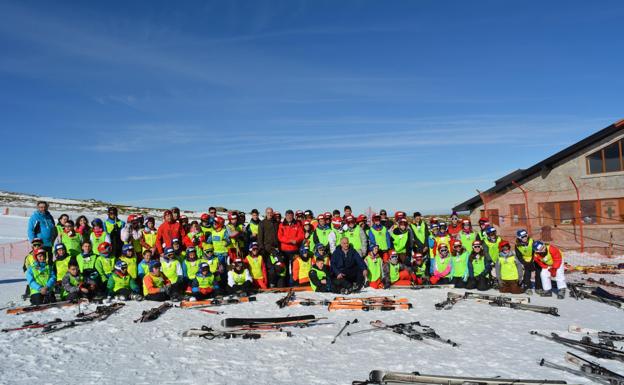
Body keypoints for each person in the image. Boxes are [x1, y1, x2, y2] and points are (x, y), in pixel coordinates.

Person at [278, 210, 304, 281]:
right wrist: (290, 240)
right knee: (285, 267)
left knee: (294, 267)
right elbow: (280, 237)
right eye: (287, 215)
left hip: (294, 249)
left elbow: (301, 235)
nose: (289, 217)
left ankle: (294, 281)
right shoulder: (281, 225)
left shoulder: (297, 224)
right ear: (285, 216)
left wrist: (296, 240)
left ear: (293, 216)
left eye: (291, 215)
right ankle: (285, 282)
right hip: (284, 250)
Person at [515, 229, 540, 295]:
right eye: (522, 237)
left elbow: (535, 251)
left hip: (534, 259)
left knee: (538, 271)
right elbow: (519, 256)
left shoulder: (532, 241)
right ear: (519, 238)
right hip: (525, 260)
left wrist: (532, 260)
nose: (525, 238)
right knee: (527, 272)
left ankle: (538, 287)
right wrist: (525, 263)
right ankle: (527, 287)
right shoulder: (517, 245)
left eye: (525, 236)